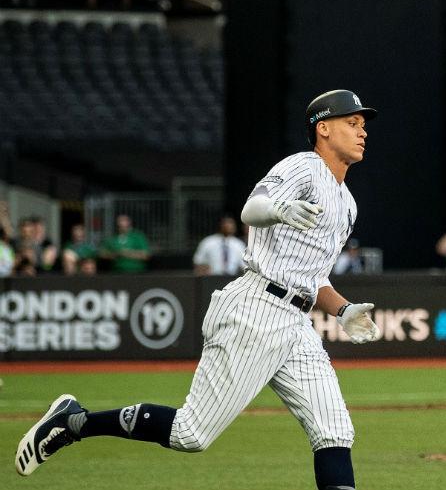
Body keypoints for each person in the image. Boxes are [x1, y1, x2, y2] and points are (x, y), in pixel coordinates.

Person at [16, 89, 383, 488]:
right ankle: (74, 422)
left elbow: (314, 275)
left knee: (334, 431)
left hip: (297, 323)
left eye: (363, 124)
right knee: (190, 433)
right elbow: (252, 209)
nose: (362, 131)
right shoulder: (304, 167)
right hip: (257, 309)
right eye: (352, 122)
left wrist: (342, 309)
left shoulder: (347, 203)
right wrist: (281, 208)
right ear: (323, 128)